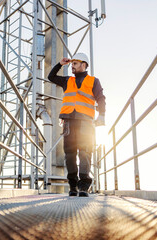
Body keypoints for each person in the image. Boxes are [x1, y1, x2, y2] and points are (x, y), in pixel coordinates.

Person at [47, 53, 106, 197]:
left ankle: (84, 187)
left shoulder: (93, 81)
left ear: (84, 64)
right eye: (71, 63)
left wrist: (102, 115)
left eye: (75, 63)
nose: (72, 66)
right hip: (68, 122)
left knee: (85, 152)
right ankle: (73, 186)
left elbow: (101, 98)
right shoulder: (68, 81)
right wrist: (60, 64)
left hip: (86, 122)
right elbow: (51, 77)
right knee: (70, 154)